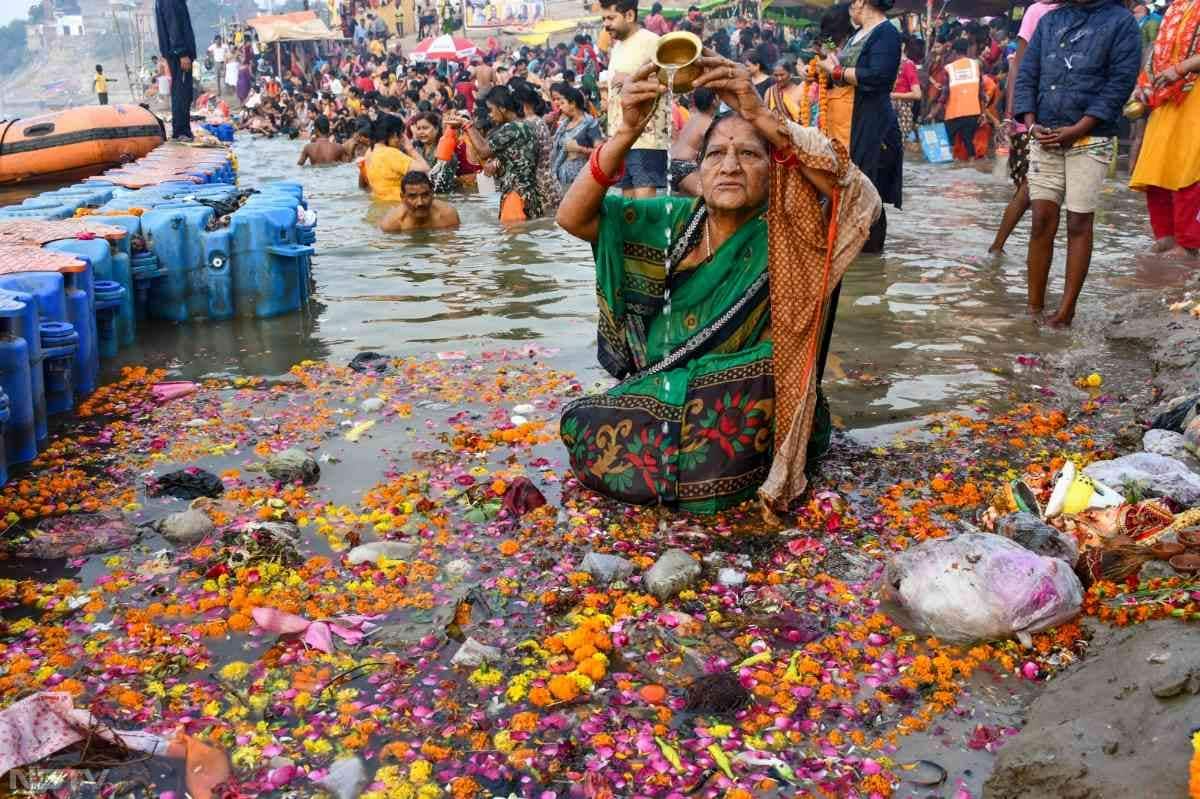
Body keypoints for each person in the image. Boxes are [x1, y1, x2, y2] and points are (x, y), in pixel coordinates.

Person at [555, 58, 879, 513]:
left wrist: (763, 116)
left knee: (752, 388)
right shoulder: (670, 219)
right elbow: (573, 218)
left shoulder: (793, 232)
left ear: (774, 170)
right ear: (699, 170)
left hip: (748, 396)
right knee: (584, 424)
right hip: (666, 389)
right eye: (715, 155)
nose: (729, 166)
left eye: (748, 154)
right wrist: (625, 134)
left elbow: (859, 195)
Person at [1013, 0, 1140, 326]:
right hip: (1044, 135)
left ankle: (1065, 313)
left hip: (1090, 138)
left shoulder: (1121, 22)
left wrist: (1080, 128)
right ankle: (1033, 310)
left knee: (1078, 223)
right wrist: (1029, 121)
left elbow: (1120, 83)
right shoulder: (1050, 20)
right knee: (1040, 219)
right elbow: (1028, 71)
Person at [818, 0, 901, 253]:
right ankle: (852, 256)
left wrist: (838, 72)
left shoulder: (887, 33)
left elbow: (879, 76)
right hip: (848, 123)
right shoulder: (857, 34)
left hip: (873, 125)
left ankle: (872, 262)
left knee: (867, 190)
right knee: (848, 187)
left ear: (862, 2)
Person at [1129, 0, 1200, 257]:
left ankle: (1189, 241)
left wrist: (1181, 68)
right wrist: (1144, 83)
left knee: (1190, 168)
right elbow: (1157, 50)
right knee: (1156, 166)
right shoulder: (1174, 7)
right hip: (1167, 96)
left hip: (1195, 96)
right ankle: (1166, 236)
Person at [989, 0, 1055, 255]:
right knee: (1029, 190)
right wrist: (1010, 114)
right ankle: (999, 249)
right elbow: (1018, 65)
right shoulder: (1039, 11)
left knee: (1036, 194)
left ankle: (1002, 249)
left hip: (1063, 118)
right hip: (1029, 118)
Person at [601, 0, 668, 198]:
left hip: (645, 137)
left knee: (644, 205)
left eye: (611, 18)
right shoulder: (618, 46)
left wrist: (630, 80)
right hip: (620, 136)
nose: (606, 24)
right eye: (604, 18)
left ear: (629, 16)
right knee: (627, 204)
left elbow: (668, 83)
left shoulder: (651, 41)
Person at [460, 85, 546, 222]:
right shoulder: (527, 126)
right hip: (531, 195)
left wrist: (467, 125)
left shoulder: (511, 129)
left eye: (491, 109)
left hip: (515, 196)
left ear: (502, 107)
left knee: (514, 239)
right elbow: (489, 148)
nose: (489, 114)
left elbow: (483, 152)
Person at [928, 38, 989, 161]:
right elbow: (981, 93)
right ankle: (972, 166)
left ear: (954, 52)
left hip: (953, 113)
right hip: (972, 112)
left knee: (949, 145)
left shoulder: (948, 68)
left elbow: (944, 95)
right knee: (969, 142)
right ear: (967, 50)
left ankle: (951, 168)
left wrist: (933, 113)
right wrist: (983, 113)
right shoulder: (976, 65)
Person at [155, 0, 197, 140]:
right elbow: (174, 27)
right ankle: (181, 131)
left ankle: (183, 129)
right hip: (178, 54)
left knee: (182, 92)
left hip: (177, 53)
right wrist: (182, 52)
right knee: (181, 93)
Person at [363, 116, 430, 202]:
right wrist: (410, 149)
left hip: (380, 204)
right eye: (401, 134)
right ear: (395, 134)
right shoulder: (391, 154)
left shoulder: (370, 152)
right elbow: (426, 171)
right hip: (399, 205)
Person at [550, 83, 603, 192]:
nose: (559, 106)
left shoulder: (589, 124)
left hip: (581, 179)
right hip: (562, 179)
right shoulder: (564, 124)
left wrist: (580, 149)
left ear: (573, 104)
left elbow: (600, 153)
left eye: (562, 103)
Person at [668, 86, 717, 194]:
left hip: (671, 163)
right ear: (714, 101)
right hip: (685, 166)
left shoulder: (693, 118)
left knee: (687, 206)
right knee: (709, 196)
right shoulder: (709, 123)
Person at [380, 171, 461, 231]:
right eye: (412, 196)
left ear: (432, 194)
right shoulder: (391, 224)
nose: (420, 203)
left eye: (425, 195)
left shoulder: (448, 216)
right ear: (403, 197)